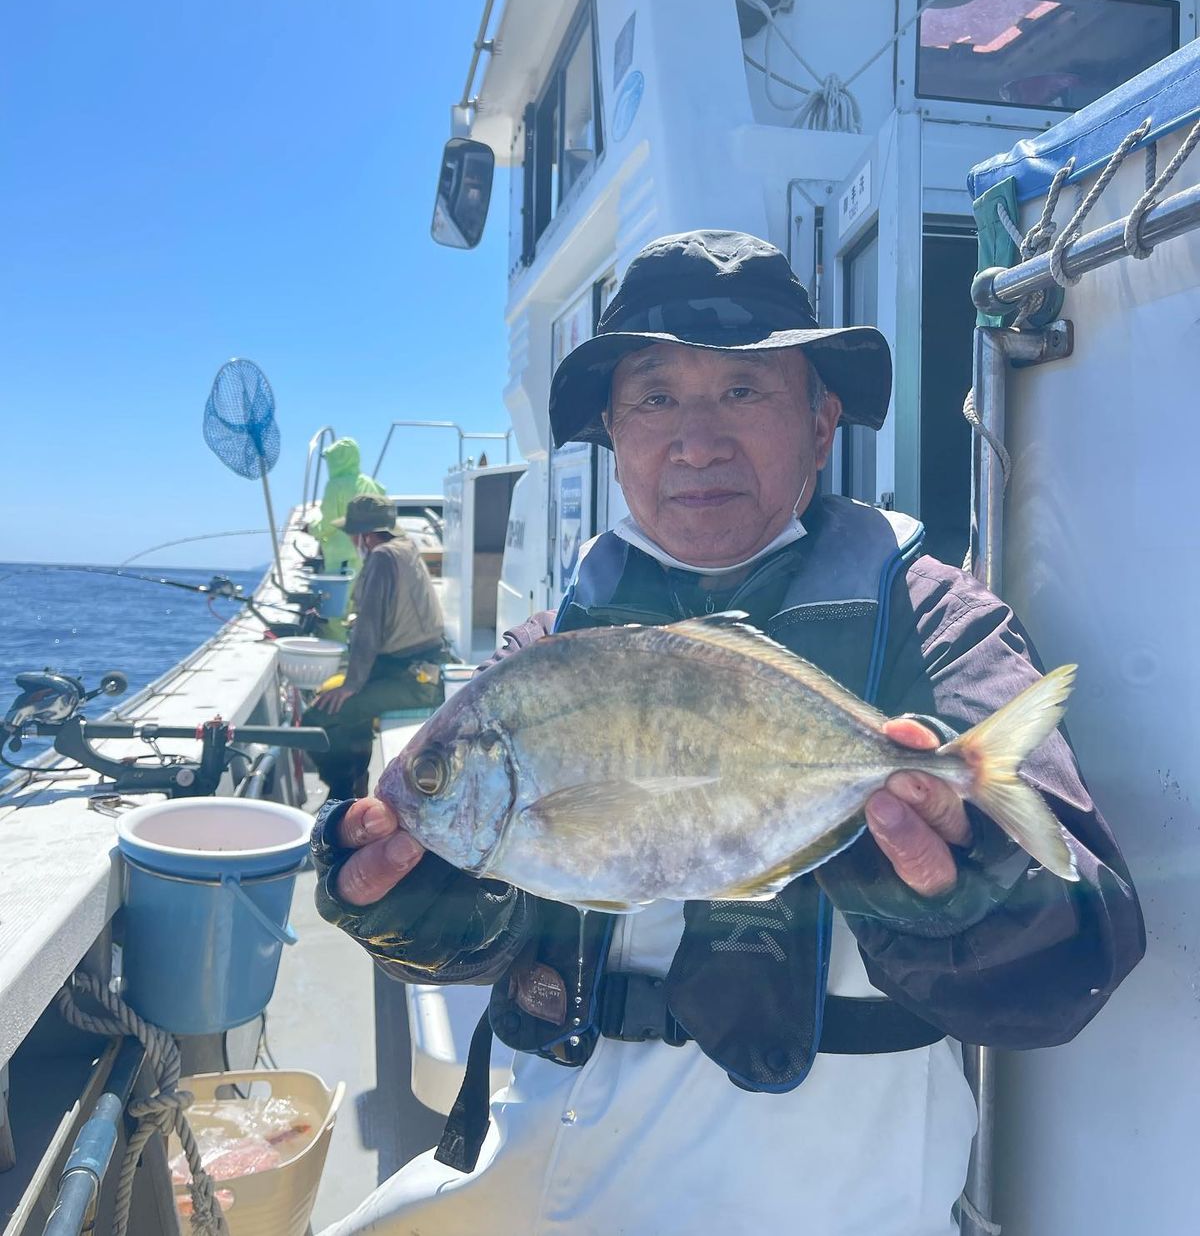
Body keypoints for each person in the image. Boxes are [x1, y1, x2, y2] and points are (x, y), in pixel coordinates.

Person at [310, 232, 1144, 1235]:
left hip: (827, 1204)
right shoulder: (550, 648)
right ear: (615, 431)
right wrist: (407, 887)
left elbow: (1071, 961)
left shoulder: (932, 626)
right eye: (656, 397)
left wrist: (960, 882)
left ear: (822, 419)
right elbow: (480, 917)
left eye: (744, 392)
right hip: (543, 1171)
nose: (696, 440)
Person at [306, 495, 446, 802]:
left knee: (319, 715)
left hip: (415, 681)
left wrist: (351, 685)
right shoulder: (405, 548)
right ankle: (355, 787)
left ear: (365, 536)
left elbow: (369, 628)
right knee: (346, 708)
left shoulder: (381, 557)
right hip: (417, 667)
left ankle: (340, 793)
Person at [309, 437, 387, 577]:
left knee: (343, 597)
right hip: (369, 555)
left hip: (343, 559)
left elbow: (329, 523)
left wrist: (311, 528)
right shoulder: (370, 483)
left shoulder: (335, 486)